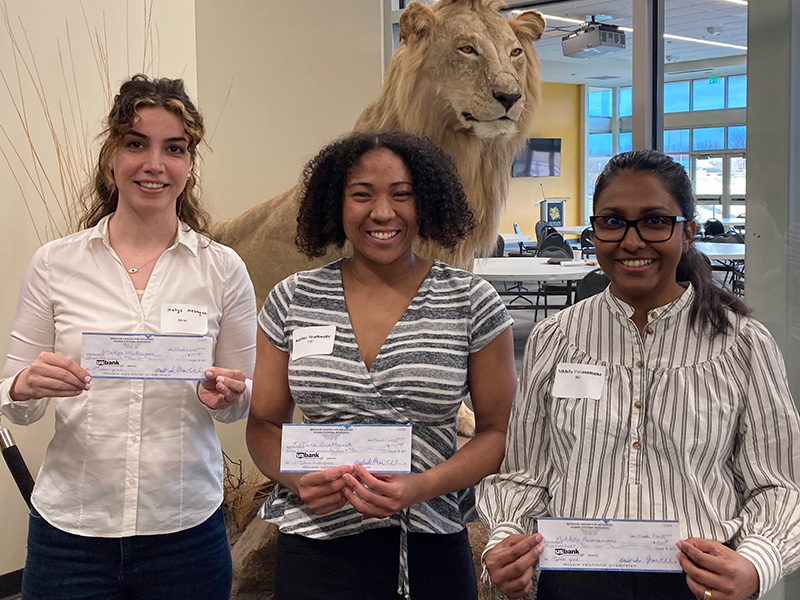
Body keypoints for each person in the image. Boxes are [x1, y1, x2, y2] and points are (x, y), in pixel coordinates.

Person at [477, 149, 800, 600]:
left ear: (687, 233)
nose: (632, 241)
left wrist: (755, 563)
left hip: (699, 583)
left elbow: (779, 483)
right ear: (595, 231)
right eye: (613, 222)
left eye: (654, 221)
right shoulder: (554, 338)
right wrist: (505, 542)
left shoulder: (742, 343)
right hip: (572, 580)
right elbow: (525, 473)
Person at [0, 74, 257, 600]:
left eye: (174, 148)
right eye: (136, 143)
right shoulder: (55, 264)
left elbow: (241, 400)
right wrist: (25, 385)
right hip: (71, 533)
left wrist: (232, 394)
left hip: (185, 531)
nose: (154, 164)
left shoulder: (223, 269)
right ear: (112, 154)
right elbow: (15, 402)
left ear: (190, 162)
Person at [246, 130, 517, 600]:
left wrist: (422, 486)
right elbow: (265, 423)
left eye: (402, 194)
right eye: (362, 195)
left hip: (430, 543)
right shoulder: (294, 298)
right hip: (315, 546)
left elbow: (498, 431)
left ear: (426, 202)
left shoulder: (470, 300)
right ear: (337, 204)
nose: (383, 212)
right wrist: (296, 479)